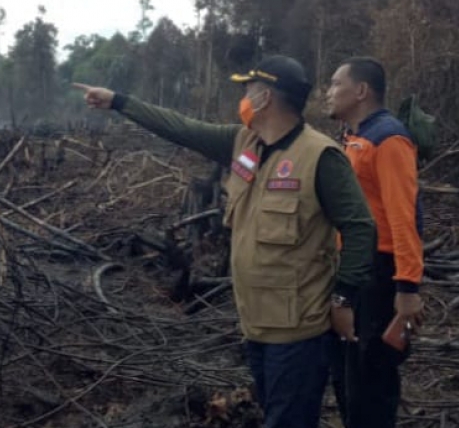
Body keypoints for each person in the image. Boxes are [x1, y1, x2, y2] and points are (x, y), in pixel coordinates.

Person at [73, 55, 376, 428]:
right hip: (255, 324)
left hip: (299, 332)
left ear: (265, 98)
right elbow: (181, 128)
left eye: (248, 90)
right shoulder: (242, 143)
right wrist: (118, 101)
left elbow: (361, 228)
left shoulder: (320, 157)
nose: (243, 98)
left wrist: (343, 299)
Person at [326, 56, 425, 428]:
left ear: (361, 91)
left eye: (336, 83)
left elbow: (404, 216)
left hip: (379, 275)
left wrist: (407, 287)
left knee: (372, 378)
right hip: (351, 269)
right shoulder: (354, 137)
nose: (328, 92)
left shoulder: (389, 138)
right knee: (347, 374)